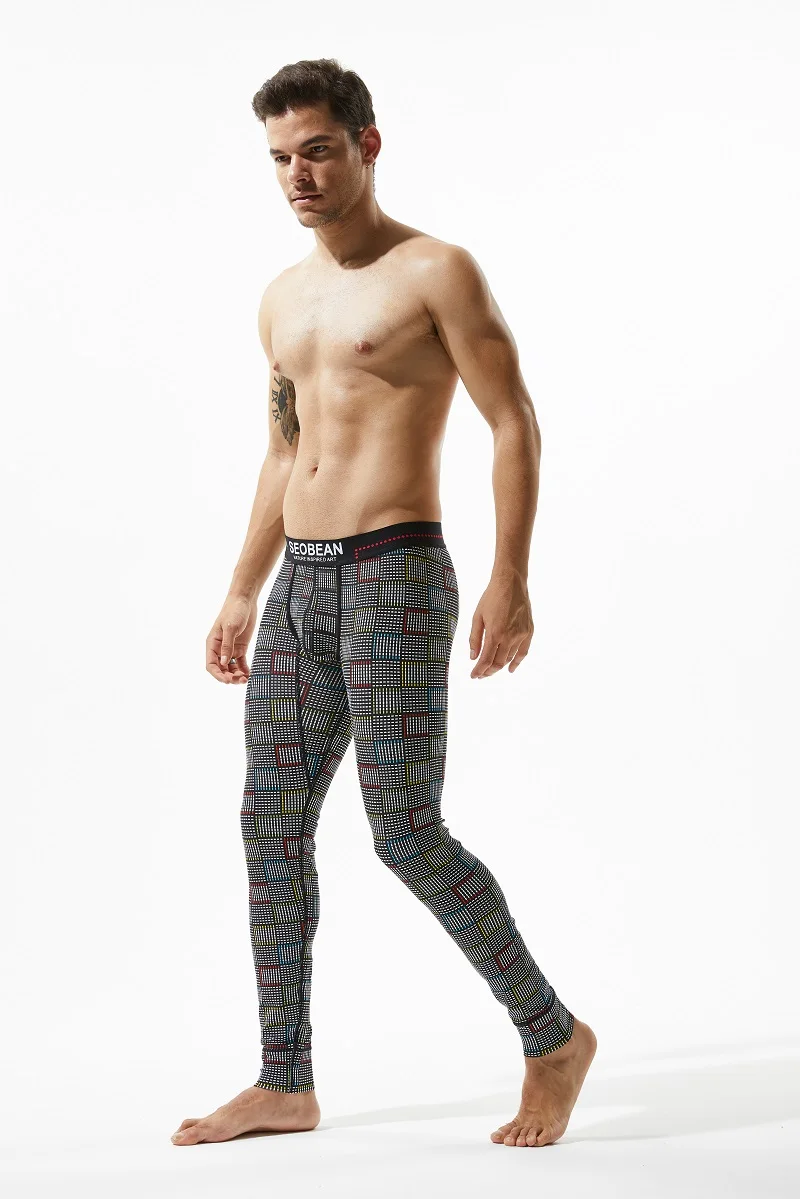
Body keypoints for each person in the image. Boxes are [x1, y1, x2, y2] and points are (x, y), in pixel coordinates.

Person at [172, 57, 596, 1150]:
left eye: (317, 150)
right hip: (299, 584)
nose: (298, 175)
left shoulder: (434, 270)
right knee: (269, 824)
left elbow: (513, 420)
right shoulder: (282, 297)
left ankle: (551, 1038)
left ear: (367, 144)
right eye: (280, 158)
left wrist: (511, 573)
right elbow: (284, 448)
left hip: (395, 575)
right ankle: (283, 1080)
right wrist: (241, 585)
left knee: (404, 829)